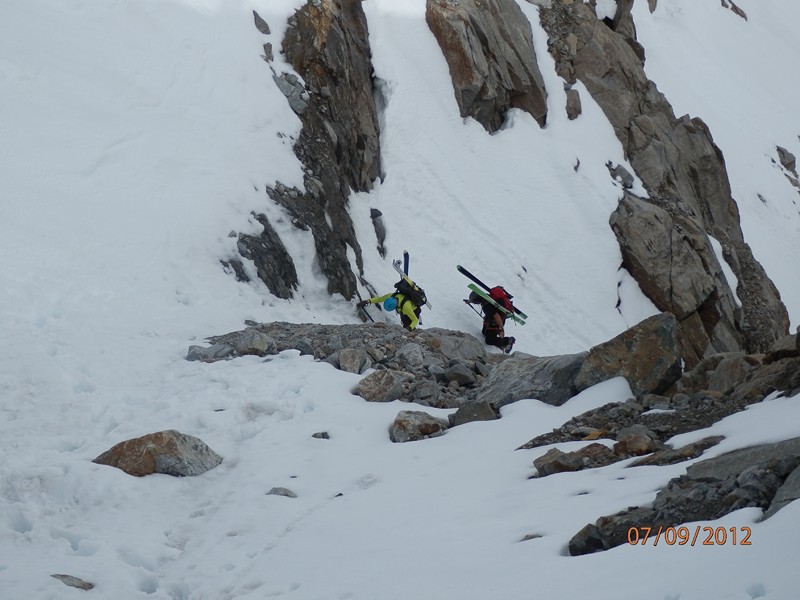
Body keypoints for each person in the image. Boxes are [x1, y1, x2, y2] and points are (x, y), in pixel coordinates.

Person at [466, 287, 515, 353]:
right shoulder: (488, 298)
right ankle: (499, 342)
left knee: (489, 340)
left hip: (496, 322)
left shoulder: (486, 307)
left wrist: (501, 329)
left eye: (475, 302)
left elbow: (497, 316)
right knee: (484, 332)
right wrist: (469, 301)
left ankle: (508, 341)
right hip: (495, 319)